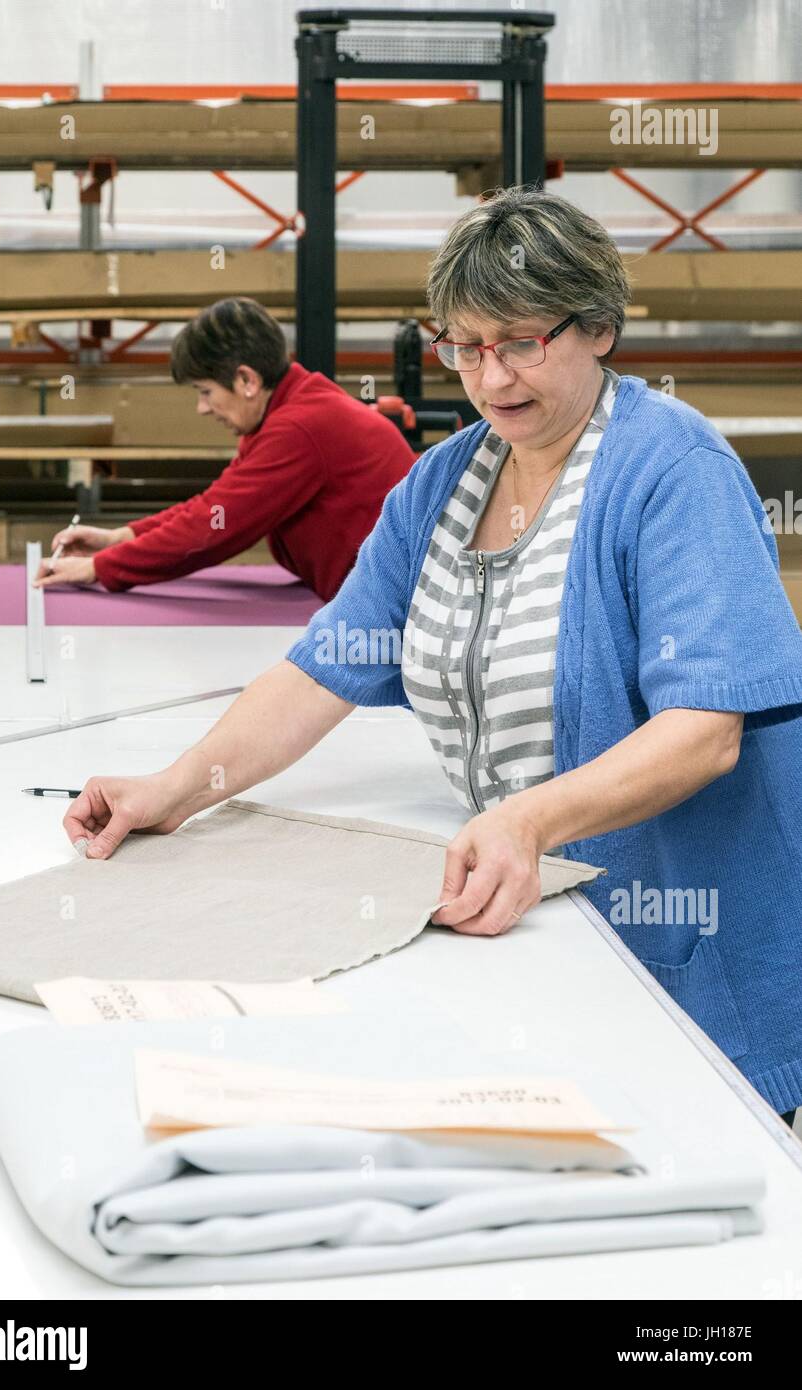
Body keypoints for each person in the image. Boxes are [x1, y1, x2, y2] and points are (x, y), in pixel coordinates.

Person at [62, 187, 802, 1125]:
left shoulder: (672, 473)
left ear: (600, 327)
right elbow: (320, 668)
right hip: (546, 920)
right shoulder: (445, 483)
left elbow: (705, 734)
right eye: (466, 346)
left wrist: (526, 822)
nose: (492, 379)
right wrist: (174, 787)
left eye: (523, 341)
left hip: (688, 938)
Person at [35, 297, 416, 601]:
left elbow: (214, 529)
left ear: (247, 380)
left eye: (205, 392)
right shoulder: (288, 408)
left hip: (392, 611)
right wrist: (120, 538)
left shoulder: (298, 427)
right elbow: (214, 505)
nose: (202, 407)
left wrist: (101, 568)